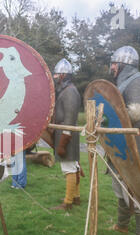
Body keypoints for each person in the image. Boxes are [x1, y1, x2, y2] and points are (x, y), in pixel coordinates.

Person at [109, 46, 140, 235]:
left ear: (122, 64)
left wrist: (108, 116)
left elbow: (135, 113)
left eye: (113, 63)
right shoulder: (125, 81)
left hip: (135, 143)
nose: (111, 67)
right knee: (120, 187)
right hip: (122, 143)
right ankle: (122, 226)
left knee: (137, 194)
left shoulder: (138, 80)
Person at [50, 58, 82, 211]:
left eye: (57, 75)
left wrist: (63, 142)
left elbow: (69, 119)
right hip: (65, 133)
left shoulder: (70, 92)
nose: (55, 77)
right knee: (73, 166)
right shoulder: (66, 90)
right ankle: (76, 197)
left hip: (66, 134)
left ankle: (67, 202)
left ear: (63, 76)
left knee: (69, 167)